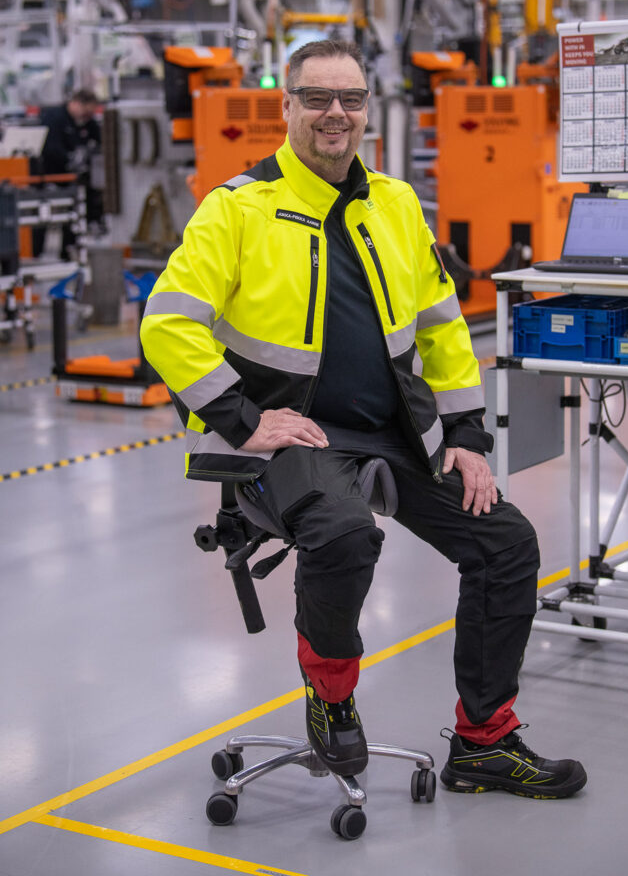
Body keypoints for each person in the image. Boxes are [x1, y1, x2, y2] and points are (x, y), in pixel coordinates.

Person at [140, 39, 587, 799]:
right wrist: (243, 419)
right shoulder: (238, 206)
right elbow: (168, 322)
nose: (335, 114)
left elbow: (442, 328)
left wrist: (467, 437)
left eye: (350, 99)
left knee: (505, 542)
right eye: (317, 98)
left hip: (395, 434)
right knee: (346, 533)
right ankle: (331, 695)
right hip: (292, 441)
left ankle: (484, 743)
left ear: (367, 110)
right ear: (287, 106)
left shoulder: (396, 203)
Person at [34, 89, 103, 257]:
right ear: (76, 103)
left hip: (74, 179)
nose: (87, 116)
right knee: (40, 217)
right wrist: (70, 158)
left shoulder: (87, 122)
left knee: (75, 215)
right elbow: (50, 148)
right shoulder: (54, 118)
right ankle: (35, 253)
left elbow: (99, 142)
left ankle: (68, 252)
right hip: (48, 176)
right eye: (86, 112)